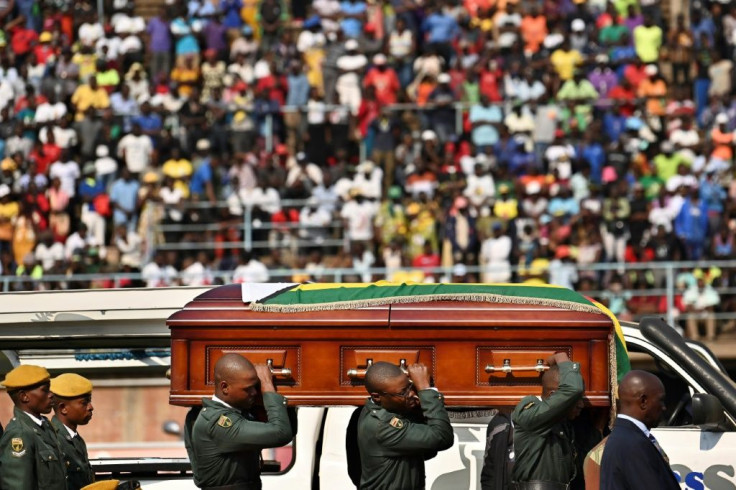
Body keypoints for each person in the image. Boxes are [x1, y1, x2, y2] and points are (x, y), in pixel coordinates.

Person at [185, 353, 294, 489]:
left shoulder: (239, 412)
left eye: (256, 386)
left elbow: (287, 428)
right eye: (248, 389)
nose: (254, 392)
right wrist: (267, 384)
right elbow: (280, 433)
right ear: (225, 387)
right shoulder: (217, 423)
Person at [357, 361, 454, 490]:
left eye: (410, 387)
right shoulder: (383, 426)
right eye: (403, 393)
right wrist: (426, 390)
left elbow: (428, 451)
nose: (411, 394)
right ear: (377, 396)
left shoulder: (390, 409)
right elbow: (442, 437)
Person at [511, 352, 584, 489]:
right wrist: (561, 357)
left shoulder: (563, 422)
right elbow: (574, 388)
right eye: (575, 400)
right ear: (553, 396)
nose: (581, 405)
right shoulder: (530, 414)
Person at [600, 371, 679, 489]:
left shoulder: (626, 437)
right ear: (643, 402)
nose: (664, 407)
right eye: (660, 400)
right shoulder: (632, 444)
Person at [0, 364, 67, 490]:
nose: (51, 394)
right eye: (45, 390)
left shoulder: (45, 426)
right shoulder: (19, 433)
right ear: (24, 396)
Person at [50, 373, 95, 490]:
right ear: (63, 408)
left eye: (89, 401)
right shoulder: (52, 440)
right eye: (84, 403)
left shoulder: (76, 439)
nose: (90, 407)